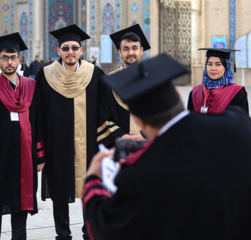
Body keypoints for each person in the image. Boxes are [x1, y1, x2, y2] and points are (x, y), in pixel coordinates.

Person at [83, 53, 251, 239]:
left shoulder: (139, 173)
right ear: (179, 96)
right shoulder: (239, 125)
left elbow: (106, 228)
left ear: (138, 120)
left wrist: (93, 178)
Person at [0, 32, 45, 240]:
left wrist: (39, 155)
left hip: (25, 158)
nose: (9, 62)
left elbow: (39, 122)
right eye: (4, 57)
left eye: (13, 57)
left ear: (20, 60)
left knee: (20, 207)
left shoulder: (32, 88)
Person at [36, 24, 104, 240]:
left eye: (75, 48)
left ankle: (89, 232)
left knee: (89, 190)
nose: (70, 52)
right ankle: (62, 234)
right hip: (57, 144)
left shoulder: (94, 74)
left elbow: (105, 112)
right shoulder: (46, 76)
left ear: (81, 50)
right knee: (59, 191)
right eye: (65, 48)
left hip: (89, 145)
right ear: (58, 51)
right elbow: (37, 115)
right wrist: (40, 149)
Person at [97, 24, 151, 147]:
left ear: (141, 51)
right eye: (126, 49)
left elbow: (162, 112)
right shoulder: (109, 82)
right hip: (120, 145)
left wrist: (145, 133)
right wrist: (122, 135)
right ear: (120, 52)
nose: (131, 53)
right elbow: (103, 116)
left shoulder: (153, 79)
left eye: (134, 48)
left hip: (148, 144)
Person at [188, 48, 248, 114]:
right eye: (210, 64)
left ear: (226, 67)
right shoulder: (195, 92)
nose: (213, 68)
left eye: (218, 64)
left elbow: (243, 122)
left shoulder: (237, 93)